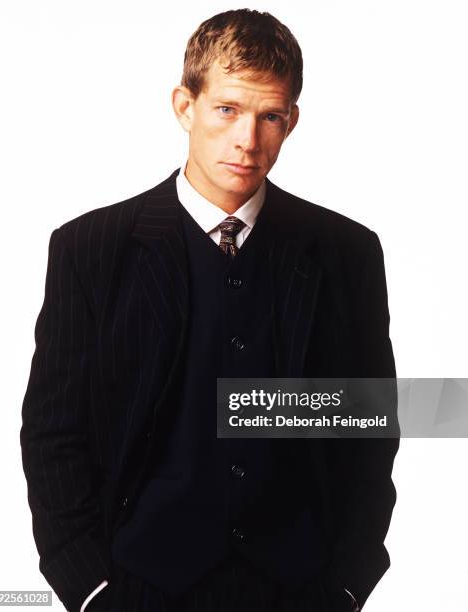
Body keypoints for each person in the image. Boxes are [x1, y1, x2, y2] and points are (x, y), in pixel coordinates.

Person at [20, 8, 398, 612]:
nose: (247, 140)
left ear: (291, 121)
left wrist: (349, 582)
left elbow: (368, 427)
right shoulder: (89, 249)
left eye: (269, 116)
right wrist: (90, 589)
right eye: (227, 109)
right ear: (183, 105)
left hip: (300, 590)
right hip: (139, 587)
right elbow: (53, 434)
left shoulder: (346, 253)